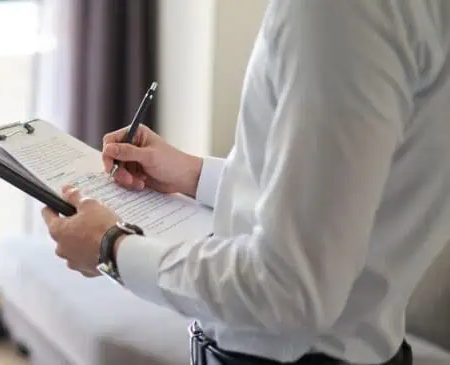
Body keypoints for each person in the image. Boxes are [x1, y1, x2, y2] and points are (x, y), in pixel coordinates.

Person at [41, 1, 450, 364]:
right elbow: (349, 193)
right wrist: (195, 175)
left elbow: (290, 288)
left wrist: (111, 248)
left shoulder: (340, 12)